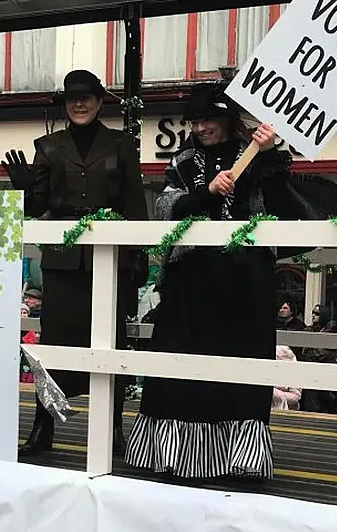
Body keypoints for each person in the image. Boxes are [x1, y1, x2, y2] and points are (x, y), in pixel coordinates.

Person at [124, 82, 291, 479]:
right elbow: (166, 208)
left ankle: (241, 461)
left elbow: (281, 203)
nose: (200, 128)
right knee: (180, 364)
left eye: (208, 119)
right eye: (195, 121)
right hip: (192, 279)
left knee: (241, 367)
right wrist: (205, 193)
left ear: (228, 119)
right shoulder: (183, 162)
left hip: (244, 280)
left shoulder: (258, 157)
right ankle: (171, 455)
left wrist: (266, 156)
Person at [3, 69, 148, 458]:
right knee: (53, 344)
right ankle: (43, 424)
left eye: (87, 97)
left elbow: (135, 202)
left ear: (100, 102)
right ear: (66, 105)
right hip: (64, 261)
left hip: (109, 260)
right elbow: (38, 207)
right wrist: (22, 189)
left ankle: (114, 425)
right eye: (72, 98)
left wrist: (139, 256)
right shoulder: (48, 146)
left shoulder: (121, 144)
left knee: (112, 343)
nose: (79, 103)